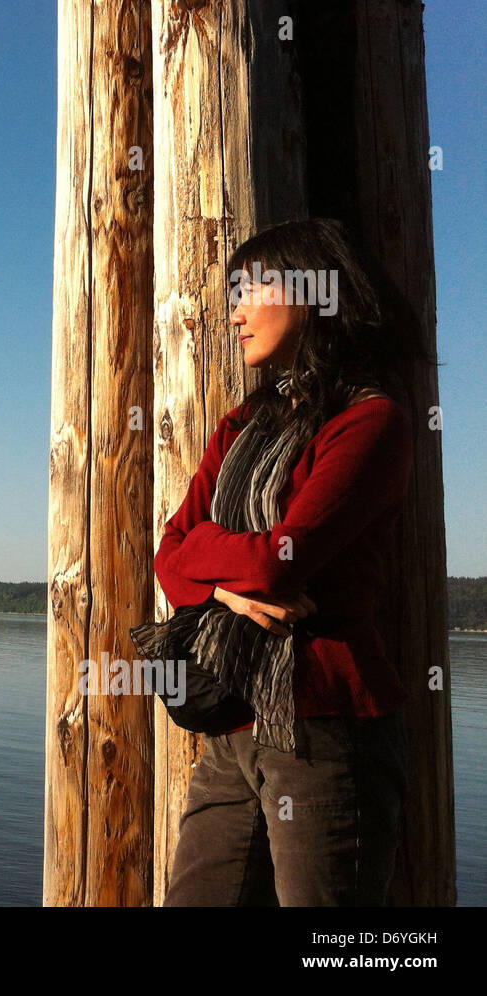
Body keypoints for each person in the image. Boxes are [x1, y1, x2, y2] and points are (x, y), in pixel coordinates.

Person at [154, 218, 433, 907]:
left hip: (326, 727)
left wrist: (213, 569)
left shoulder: (371, 424)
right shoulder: (241, 425)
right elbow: (165, 555)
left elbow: (283, 561)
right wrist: (226, 592)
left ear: (315, 295)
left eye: (252, 289)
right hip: (230, 721)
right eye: (232, 294)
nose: (236, 311)